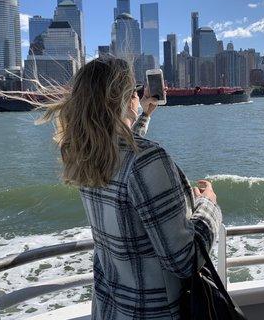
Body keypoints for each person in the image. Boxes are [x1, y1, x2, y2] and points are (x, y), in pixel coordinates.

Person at [42, 57, 222, 320]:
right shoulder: (147, 160)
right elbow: (185, 261)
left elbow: (124, 158)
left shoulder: (84, 155)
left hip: (110, 309)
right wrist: (208, 206)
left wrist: (145, 115)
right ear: (125, 98)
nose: (140, 94)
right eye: (135, 89)